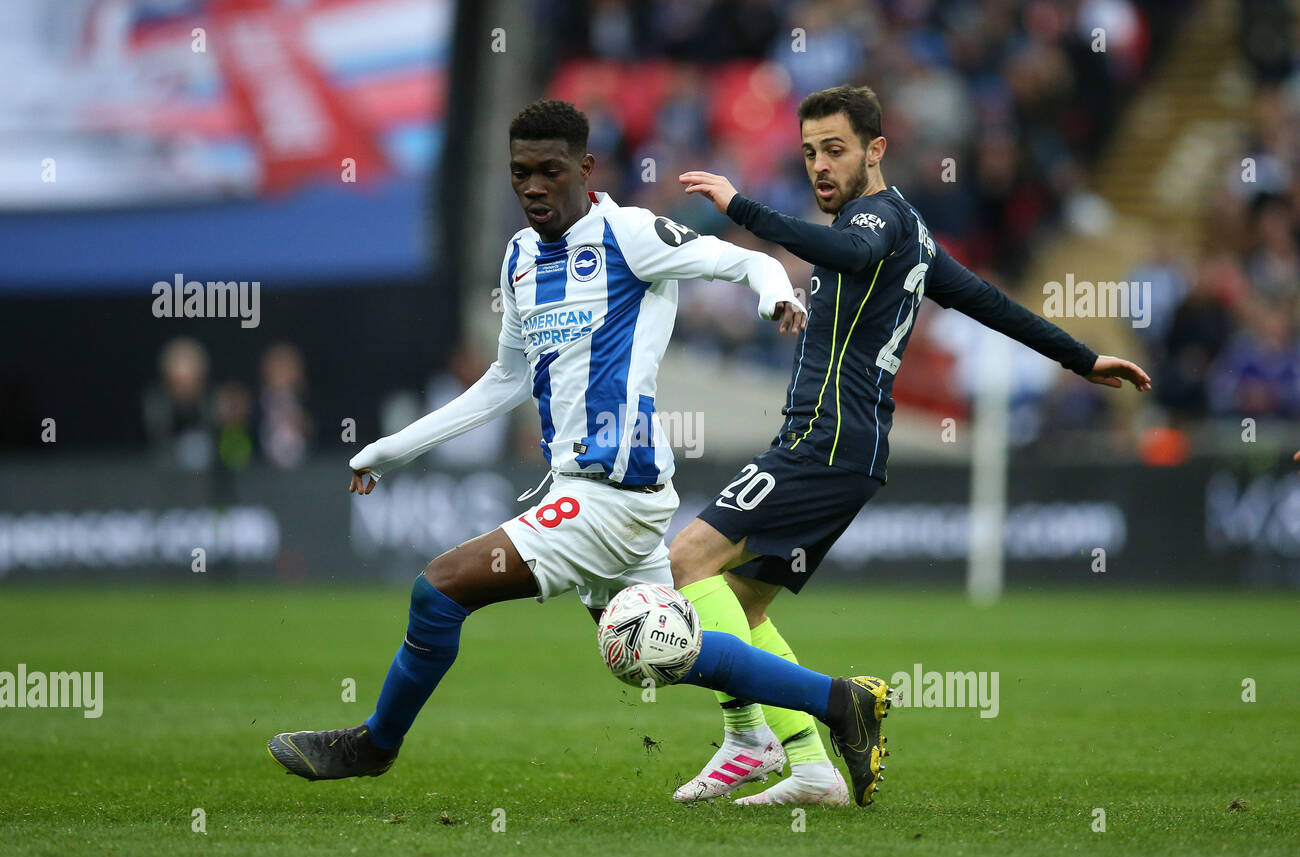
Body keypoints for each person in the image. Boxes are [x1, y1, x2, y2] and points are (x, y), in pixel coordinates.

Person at [267, 99, 893, 806]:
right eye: (519, 174)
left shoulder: (628, 234)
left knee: (438, 589)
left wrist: (774, 296)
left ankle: (374, 746)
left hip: (610, 496)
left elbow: (738, 261)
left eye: (549, 171)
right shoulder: (520, 258)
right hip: (590, 490)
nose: (533, 186)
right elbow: (504, 381)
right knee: (661, 651)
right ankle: (838, 704)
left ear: (584, 169)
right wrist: (390, 449)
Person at [666, 85, 1153, 806]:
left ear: (876, 149)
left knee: (685, 562)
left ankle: (775, 729)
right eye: (808, 153)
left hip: (823, 442)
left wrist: (742, 208)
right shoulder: (915, 235)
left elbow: (845, 245)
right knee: (741, 602)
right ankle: (808, 768)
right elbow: (990, 302)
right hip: (845, 448)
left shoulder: (878, 218)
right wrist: (1082, 358)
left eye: (835, 149)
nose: (820, 166)